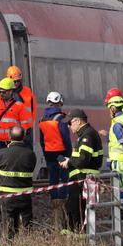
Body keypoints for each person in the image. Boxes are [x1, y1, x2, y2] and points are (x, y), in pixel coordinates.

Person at [59, 109, 103, 233]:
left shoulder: (87, 135)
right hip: (80, 180)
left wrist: (69, 162)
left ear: (77, 121)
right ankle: (72, 237)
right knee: (74, 210)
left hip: (81, 181)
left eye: (70, 123)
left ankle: (76, 239)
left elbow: (83, 159)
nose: (69, 126)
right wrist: (70, 160)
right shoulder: (85, 134)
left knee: (76, 211)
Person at [0, 125, 37, 237]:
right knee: (26, 225)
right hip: (24, 196)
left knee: (6, 224)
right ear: (24, 137)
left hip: (6, 196)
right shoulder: (30, 154)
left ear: (9, 136)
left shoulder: (2, 153)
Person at [38, 91, 71, 229]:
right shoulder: (61, 119)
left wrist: (46, 152)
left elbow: (41, 140)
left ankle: (54, 203)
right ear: (60, 103)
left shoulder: (42, 119)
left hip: (49, 154)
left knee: (53, 180)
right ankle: (62, 206)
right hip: (61, 155)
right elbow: (65, 139)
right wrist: (69, 154)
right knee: (64, 181)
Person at [0, 77, 33, 154]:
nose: (1, 94)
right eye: (0, 92)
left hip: (14, 143)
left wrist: (21, 141)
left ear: (11, 91)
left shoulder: (20, 106)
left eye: (4, 92)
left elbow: (25, 126)